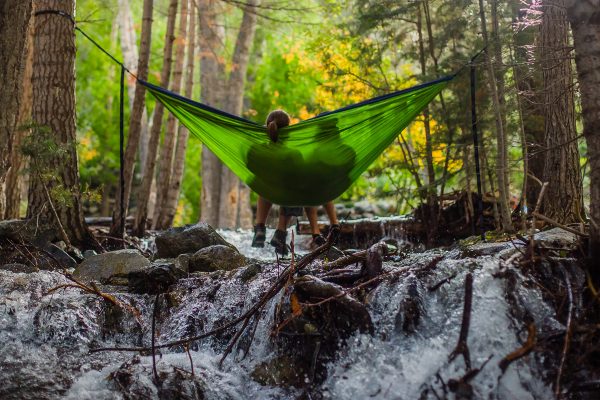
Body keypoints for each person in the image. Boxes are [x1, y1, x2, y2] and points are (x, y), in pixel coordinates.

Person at [251, 110, 339, 255]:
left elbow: (249, 166)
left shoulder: (257, 150)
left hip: (267, 191)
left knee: (265, 184)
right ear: (289, 131)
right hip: (288, 195)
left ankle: (260, 227)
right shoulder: (293, 154)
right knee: (296, 185)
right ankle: (281, 231)